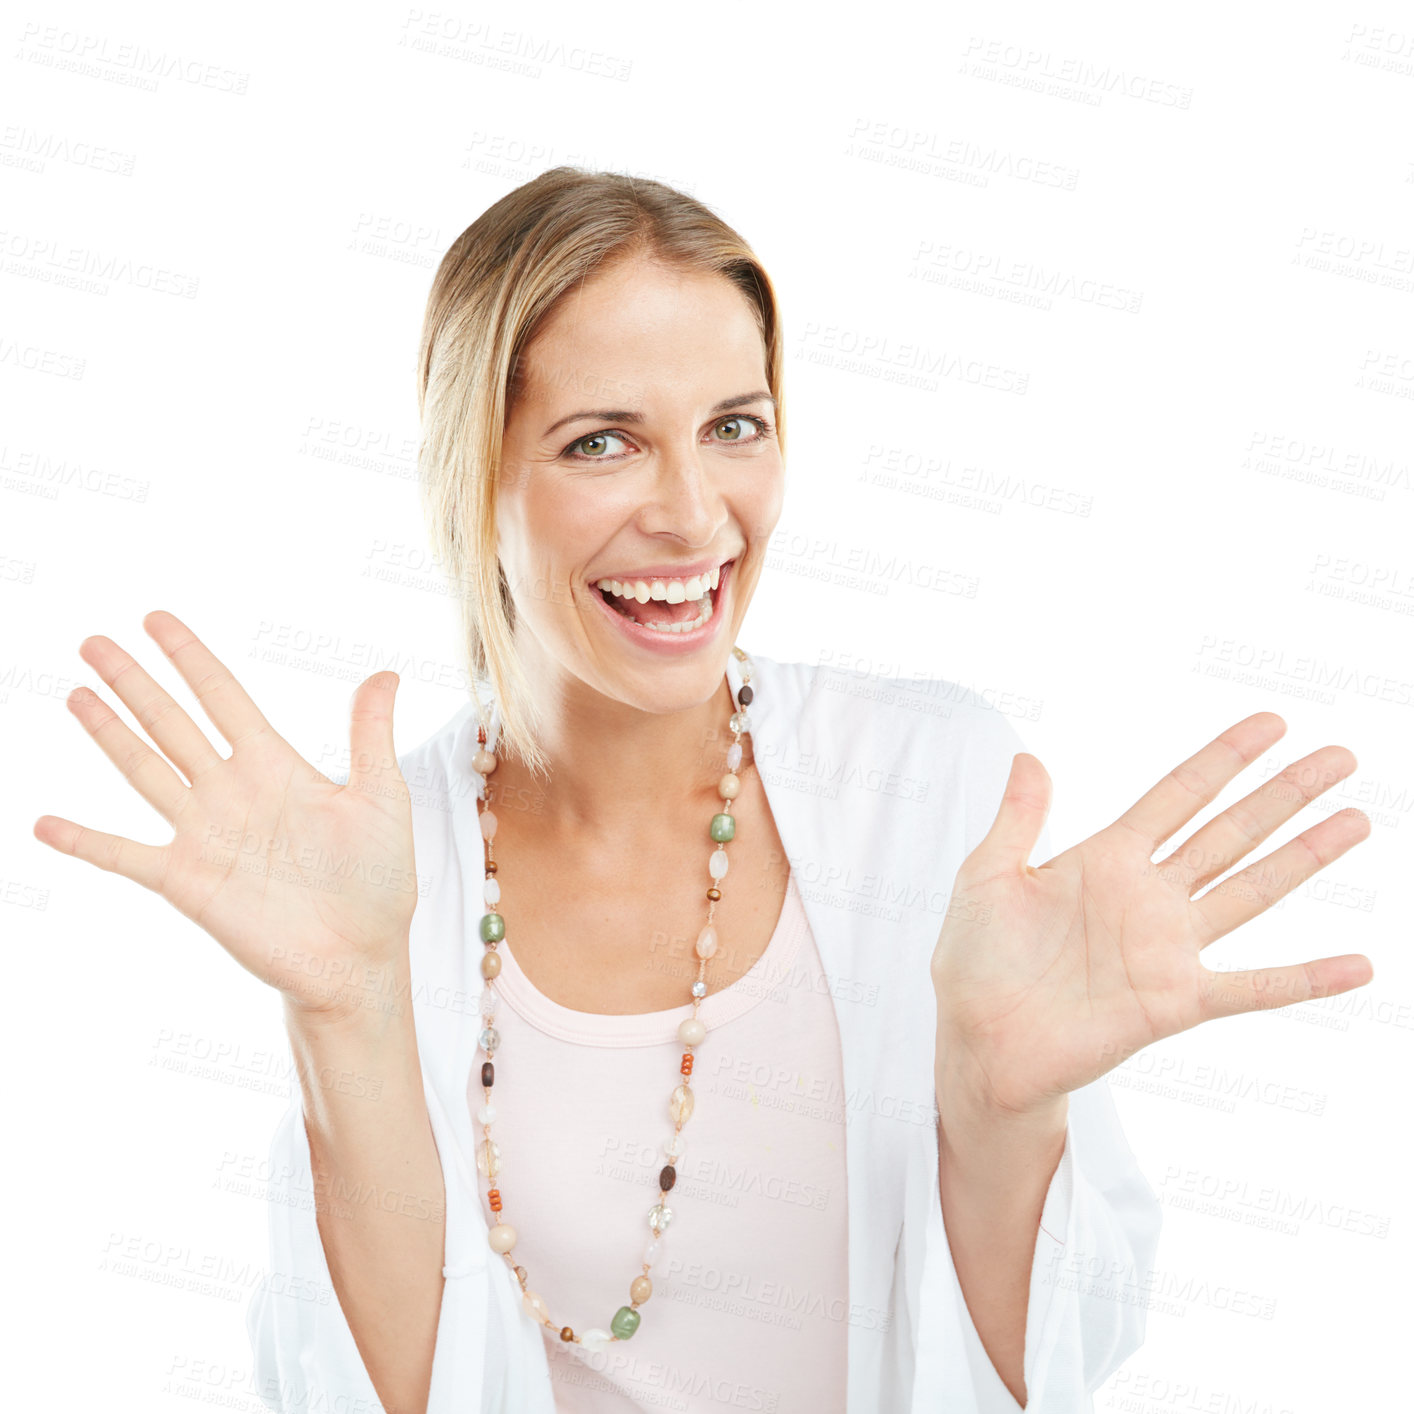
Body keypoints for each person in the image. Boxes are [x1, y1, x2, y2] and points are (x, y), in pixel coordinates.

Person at [34, 168, 1374, 1414]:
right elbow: (354, 1396)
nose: (692, 514)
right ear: (473, 474)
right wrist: (349, 1013)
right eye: (601, 442)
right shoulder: (385, 866)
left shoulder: (923, 785)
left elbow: (1054, 1365)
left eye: (733, 426)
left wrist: (1000, 1107)